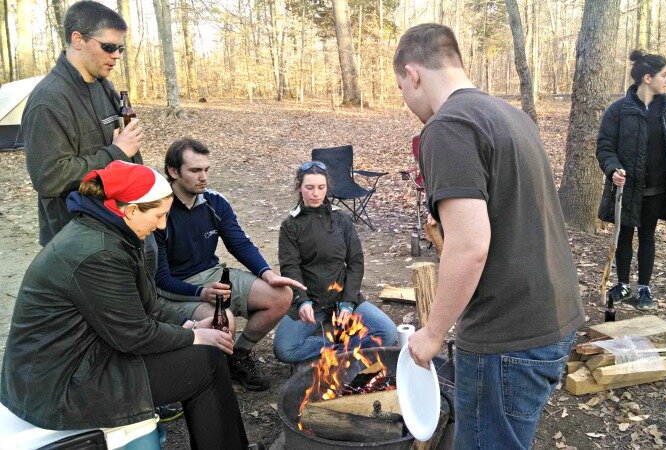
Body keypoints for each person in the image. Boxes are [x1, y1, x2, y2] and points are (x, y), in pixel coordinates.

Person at [393, 24, 584, 449]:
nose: (406, 100)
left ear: (414, 74)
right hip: (555, 317)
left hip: (507, 336)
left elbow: (469, 245)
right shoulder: (510, 115)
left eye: (402, 87)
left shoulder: (448, 127)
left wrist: (432, 333)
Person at [0, 161, 250, 449]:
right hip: (59, 384)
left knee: (204, 354)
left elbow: (143, 304)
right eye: (158, 215)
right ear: (130, 210)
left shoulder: (106, 231)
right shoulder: (99, 252)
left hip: (79, 357)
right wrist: (195, 335)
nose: (162, 224)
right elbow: (134, 334)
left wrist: (190, 325)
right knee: (207, 364)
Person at [154, 137, 303, 391]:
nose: (203, 177)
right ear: (173, 171)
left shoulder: (214, 202)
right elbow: (159, 280)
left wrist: (267, 274)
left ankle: (239, 356)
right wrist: (201, 293)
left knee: (280, 295)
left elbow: (240, 243)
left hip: (212, 275)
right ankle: (207, 377)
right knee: (224, 321)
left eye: (206, 170)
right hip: (174, 290)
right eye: (195, 170)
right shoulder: (157, 210)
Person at [23, 0, 144, 247]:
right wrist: (116, 152)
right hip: (75, 239)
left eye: (120, 48)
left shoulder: (104, 86)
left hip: (115, 224)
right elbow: (49, 178)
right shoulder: (48, 100)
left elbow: (126, 151)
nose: (116, 55)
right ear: (78, 40)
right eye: (109, 46)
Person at [273, 161, 398, 363]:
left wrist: (348, 303)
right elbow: (290, 267)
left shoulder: (341, 220)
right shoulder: (290, 225)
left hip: (343, 299)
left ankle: (336, 349)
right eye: (309, 187)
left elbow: (356, 262)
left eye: (321, 188)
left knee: (387, 333)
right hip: (311, 303)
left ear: (327, 188)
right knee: (285, 349)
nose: (316, 193)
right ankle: (340, 348)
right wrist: (302, 300)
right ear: (299, 187)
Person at [597, 50, 666, 310]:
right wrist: (612, 168)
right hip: (627, 189)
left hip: (658, 190)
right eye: (665, 75)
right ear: (647, 78)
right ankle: (622, 284)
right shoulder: (618, 110)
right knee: (623, 236)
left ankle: (645, 288)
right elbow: (604, 146)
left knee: (647, 236)